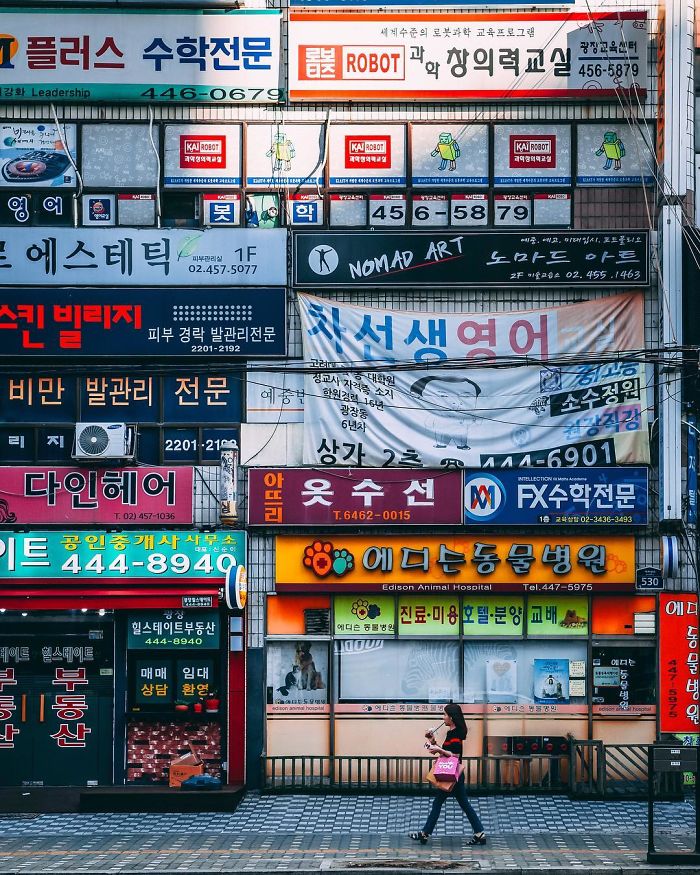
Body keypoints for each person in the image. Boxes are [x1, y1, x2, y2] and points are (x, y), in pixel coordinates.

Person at [409, 703, 486, 846]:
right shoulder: (452, 733)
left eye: (444, 714)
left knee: (439, 803)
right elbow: (447, 751)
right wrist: (433, 742)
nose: (443, 717)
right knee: (462, 804)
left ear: (451, 717)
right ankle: (479, 833)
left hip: (452, 775)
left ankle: (425, 833)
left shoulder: (455, 734)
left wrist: (438, 749)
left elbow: (455, 756)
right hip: (454, 774)